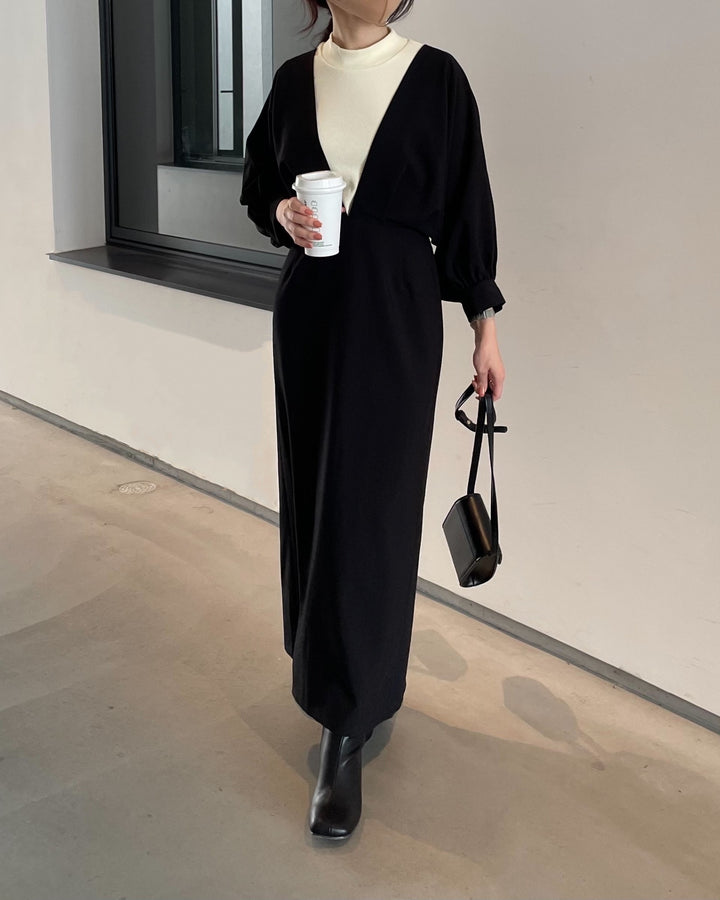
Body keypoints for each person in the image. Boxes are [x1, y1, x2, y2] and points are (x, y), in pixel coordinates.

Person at [239, 0, 507, 840]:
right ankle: (329, 683)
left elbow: (467, 204)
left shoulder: (437, 80)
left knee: (374, 513)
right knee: (318, 503)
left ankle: (348, 721)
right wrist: (281, 213)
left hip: (395, 316)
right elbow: (258, 182)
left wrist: (485, 326)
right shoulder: (294, 82)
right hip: (309, 318)